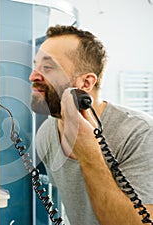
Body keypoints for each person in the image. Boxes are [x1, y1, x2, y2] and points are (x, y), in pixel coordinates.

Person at [29, 25, 153, 225]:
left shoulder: (140, 133)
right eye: (35, 66)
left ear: (86, 84)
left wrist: (90, 151)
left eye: (48, 68)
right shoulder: (46, 134)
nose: (32, 76)